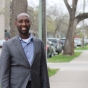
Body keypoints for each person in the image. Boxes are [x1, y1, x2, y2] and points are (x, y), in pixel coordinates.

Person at [1, 13, 50, 88]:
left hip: (36, 85)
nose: (24, 24)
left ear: (30, 23)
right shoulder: (8, 45)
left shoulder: (39, 43)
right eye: (20, 21)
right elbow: (4, 72)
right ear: (15, 23)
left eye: (27, 21)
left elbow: (43, 70)